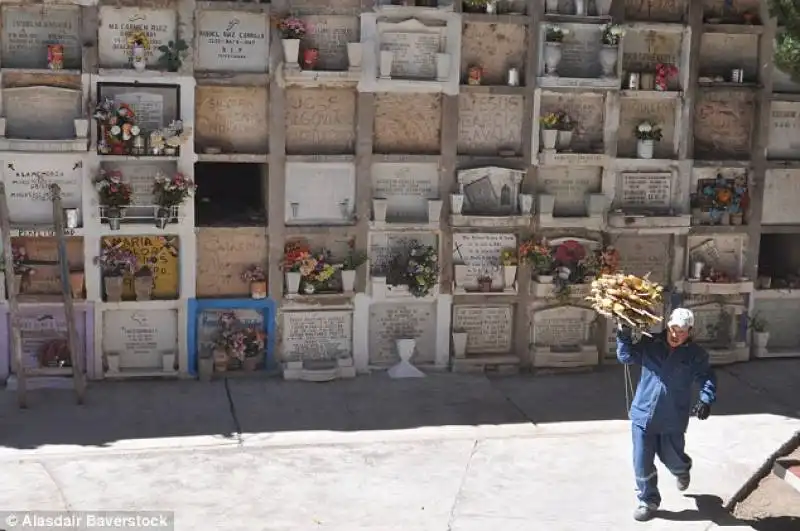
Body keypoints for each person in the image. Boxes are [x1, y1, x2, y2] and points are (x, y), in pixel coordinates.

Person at [616, 307, 717, 522]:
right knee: (641, 461)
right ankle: (648, 500)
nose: (675, 334)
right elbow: (625, 356)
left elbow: (707, 377)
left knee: (672, 458)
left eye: (682, 331)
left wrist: (705, 399)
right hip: (643, 414)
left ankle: (682, 470)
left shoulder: (695, 355)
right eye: (673, 328)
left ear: (690, 331)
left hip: (672, 417)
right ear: (667, 325)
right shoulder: (650, 343)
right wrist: (623, 333)